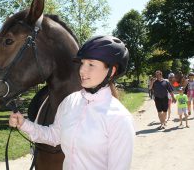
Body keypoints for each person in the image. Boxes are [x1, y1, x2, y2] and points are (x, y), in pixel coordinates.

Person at [9, 35, 135, 170]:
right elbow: (54, 136)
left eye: (91, 64)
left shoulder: (120, 118)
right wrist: (23, 124)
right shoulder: (70, 101)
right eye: (82, 63)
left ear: (111, 71)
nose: (82, 70)